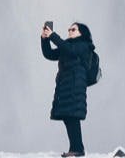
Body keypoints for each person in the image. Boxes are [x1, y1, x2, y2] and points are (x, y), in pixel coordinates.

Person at [41, 21, 97, 157]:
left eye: (73, 29)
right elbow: (49, 54)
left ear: (81, 33)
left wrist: (53, 35)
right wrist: (44, 39)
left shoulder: (83, 45)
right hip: (66, 86)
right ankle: (75, 148)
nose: (70, 31)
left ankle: (78, 150)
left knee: (72, 117)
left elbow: (71, 50)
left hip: (75, 87)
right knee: (68, 117)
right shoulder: (67, 46)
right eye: (69, 29)